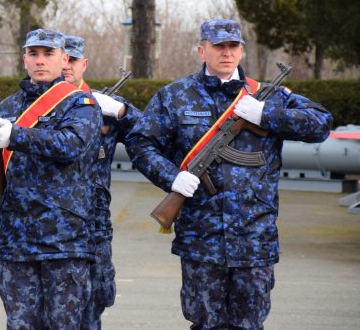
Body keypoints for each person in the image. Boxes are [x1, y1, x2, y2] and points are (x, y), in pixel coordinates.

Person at [126, 19, 333, 329]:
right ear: (201, 50)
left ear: (241, 50)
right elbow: (141, 142)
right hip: (201, 239)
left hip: (254, 238)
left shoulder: (268, 96)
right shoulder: (174, 96)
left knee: (249, 324)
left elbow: (321, 124)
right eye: (218, 46)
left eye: (233, 46)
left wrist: (267, 116)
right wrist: (170, 178)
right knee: (205, 323)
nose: (226, 53)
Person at [0, 29, 102, 329]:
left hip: (64, 238)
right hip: (17, 239)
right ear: (24, 59)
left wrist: (16, 135)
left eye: (48, 54)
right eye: (33, 54)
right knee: (20, 323)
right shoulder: (5, 108)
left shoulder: (80, 104)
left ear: (64, 59)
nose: (40, 61)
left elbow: (71, 144)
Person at [61, 35, 140, 329]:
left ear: (84, 64)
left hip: (94, 223)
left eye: (73, 60)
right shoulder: (36, 105)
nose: (66, 66)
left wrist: (120, 111)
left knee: (95, 300)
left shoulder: (104, 103)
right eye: (63, 59)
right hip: (51, 224)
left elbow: (151, 129)